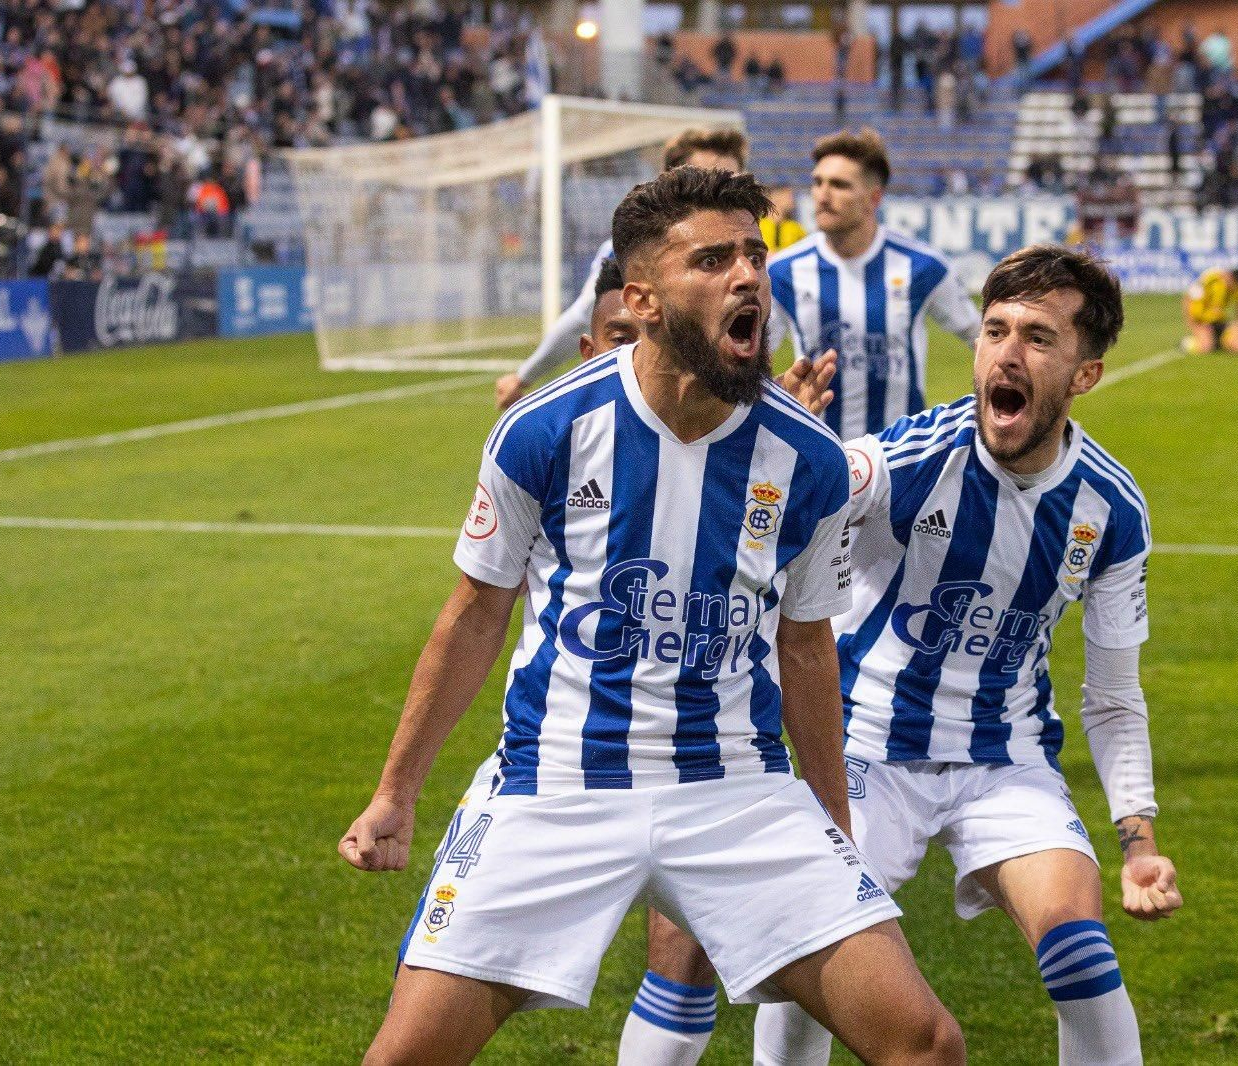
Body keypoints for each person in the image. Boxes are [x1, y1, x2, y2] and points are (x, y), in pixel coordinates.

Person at [340, 166, 965, 1066]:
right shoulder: (544, 430)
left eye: (754, 254)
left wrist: (834, 827)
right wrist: (396, 793)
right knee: (403, 1058)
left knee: (926, 1044)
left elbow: (805, 646)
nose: (749, 275)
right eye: (713, 259)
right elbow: (474, 615)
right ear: (643, 298)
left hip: (736, 790)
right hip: (557, 780)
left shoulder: (811, 462)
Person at [622, 245, 1184, 1066]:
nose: (1007, 352)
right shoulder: (915, 457)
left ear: (1085, 373)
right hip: (868, 749)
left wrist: (1139, 842)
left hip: (1005, 760)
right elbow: (819, 487)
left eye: (1038, 336)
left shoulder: (1112, 509)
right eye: (995, 330)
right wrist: (777, 446)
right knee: (824, 945)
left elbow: (1112, 697)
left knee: (1081, 951)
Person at [494, 127, 748, 410]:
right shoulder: (628, 253)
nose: (722, 196)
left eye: (732, 184)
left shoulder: (755, 265)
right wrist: (524, 377)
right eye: (706, 183)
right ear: (671, 185)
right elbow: (582, 317)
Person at [768, 128, 981, 440]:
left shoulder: (922, 267)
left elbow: (981, 338)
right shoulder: (782, 272)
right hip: (818, 458)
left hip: (901, 462)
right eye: (818, 182)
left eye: (839, 185)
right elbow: (750, 365)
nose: (823, 195)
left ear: (874, 198)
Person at [1182, 265, 1238, 354]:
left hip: (1219, 321)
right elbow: (1188, 301)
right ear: (1228, 276)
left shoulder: (1235, 285)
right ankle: (1187, 343)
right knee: (1206, 347)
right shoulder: (1209, 280)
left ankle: (1219, 342)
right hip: (1201, 321)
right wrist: (1195, 325)